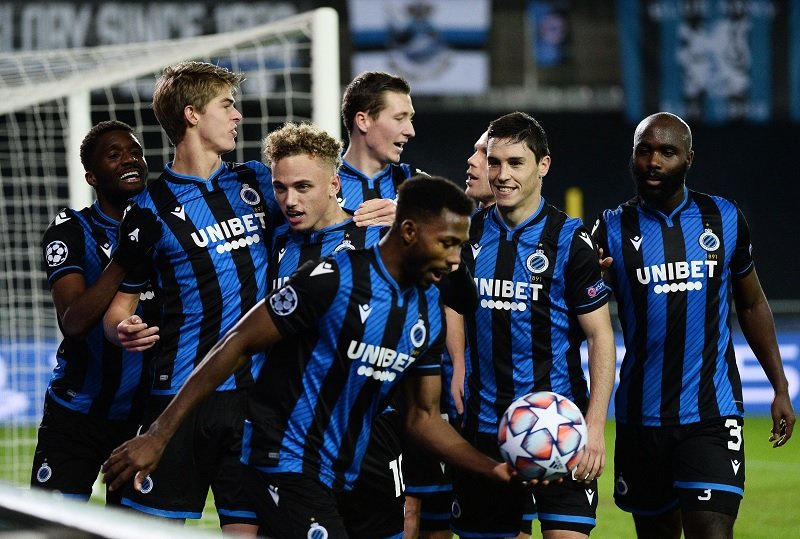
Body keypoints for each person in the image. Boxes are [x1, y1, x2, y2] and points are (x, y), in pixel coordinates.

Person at [101, 176, 518, 539]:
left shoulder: (427, 310)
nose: (454, 259)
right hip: (282, 461)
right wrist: (158, 434)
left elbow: (422, 418)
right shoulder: (334, 278)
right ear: (408, 231)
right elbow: (237, 342)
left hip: (346, 472)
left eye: (459, 247)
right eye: (447, 244)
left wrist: (493, 468)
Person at [592, 111, 796, 539]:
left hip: (711, 411)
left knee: (712, 531)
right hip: (640, 415)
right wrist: (591, 278)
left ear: (688, 159)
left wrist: (780, 386)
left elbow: (752, 304)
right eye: (644, 150)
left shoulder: (723, 218)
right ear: (632, 155)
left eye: (667, 152)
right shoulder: (609, 229)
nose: (653, 162)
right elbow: (582, 315)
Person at [101, 61, 283, 535]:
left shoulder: (256, 182)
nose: (237, 115)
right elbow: (118, 307)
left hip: (254, 394)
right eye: (227, 105)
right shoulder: (148, 209)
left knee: (248, 529)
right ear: (192, 114)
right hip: (178, 394)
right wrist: (122, 329)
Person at [451, 111, 616, 539]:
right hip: (485, 430)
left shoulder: (570, 240)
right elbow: (452, 308)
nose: (502, 175)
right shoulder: (466, 235)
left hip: (561, 428)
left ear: (543, 165)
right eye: (494, 162)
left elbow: (600, 336)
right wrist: (456, 368)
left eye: (515, 163)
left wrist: (594, 427)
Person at [263, 121, 401, 538]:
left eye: (303, 187)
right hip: (294, 437)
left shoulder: (379, 239)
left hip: (371, 429)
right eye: (280, 188)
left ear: (334, 184)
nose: (290, 200)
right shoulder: (274, 243)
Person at [31, 120, 160, 504]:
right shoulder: (71, 230)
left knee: (132, 529)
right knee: (54, 528)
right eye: (114, 155)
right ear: (91, 176)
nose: (129, 160)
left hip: (144, 419)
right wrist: (124, 257)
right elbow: (73, 322)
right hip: (77, 414)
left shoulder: (165, 224)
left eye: (135, 152)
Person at [338, 70, 426, 227]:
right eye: (399, 118)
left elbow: (459, 232)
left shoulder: (419, 184)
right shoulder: (320, 182)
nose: (411, 131)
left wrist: (410, 220)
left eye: (410, 119)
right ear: (363, 121)